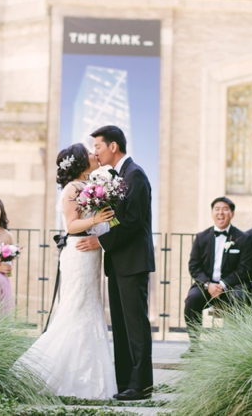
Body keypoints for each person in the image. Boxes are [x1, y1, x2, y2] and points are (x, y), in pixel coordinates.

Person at [16, 143, 117, 398]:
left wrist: (112, 220)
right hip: (79, 252)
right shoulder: (73, 188)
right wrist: (97, 219)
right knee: (75, 308)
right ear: (81, 161)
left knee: (90, 308)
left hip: (92, 253)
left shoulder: (91, 185)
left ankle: (88, 379)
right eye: (89, 152)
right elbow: (71, 225)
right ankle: (40, 373)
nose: (94, 154)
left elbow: (105, 219)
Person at [76, 125, 155, 401]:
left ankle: (141, 385)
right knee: (120, 326)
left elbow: (133, 222)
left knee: (135, 326)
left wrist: (100, 242)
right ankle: (125, 383)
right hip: (119, 262)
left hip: (133, 262)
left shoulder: (135, 176)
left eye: (98, 145)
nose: (95, 151)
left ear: (113, 146)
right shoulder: (119, 176)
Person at [184, 196, 249, 347]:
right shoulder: (201, 237)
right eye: (217, 209)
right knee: (192, 299)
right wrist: (208, 284)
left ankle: (235, 346)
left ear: (232, 214)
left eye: (225, 209)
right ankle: (194, 345)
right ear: (212, 213)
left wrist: (223, 285)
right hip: (205, 285)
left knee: (240, 299)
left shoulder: (242, 238)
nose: (221, 213)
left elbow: (244, 269)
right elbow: (194, 265)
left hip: (231, 286)